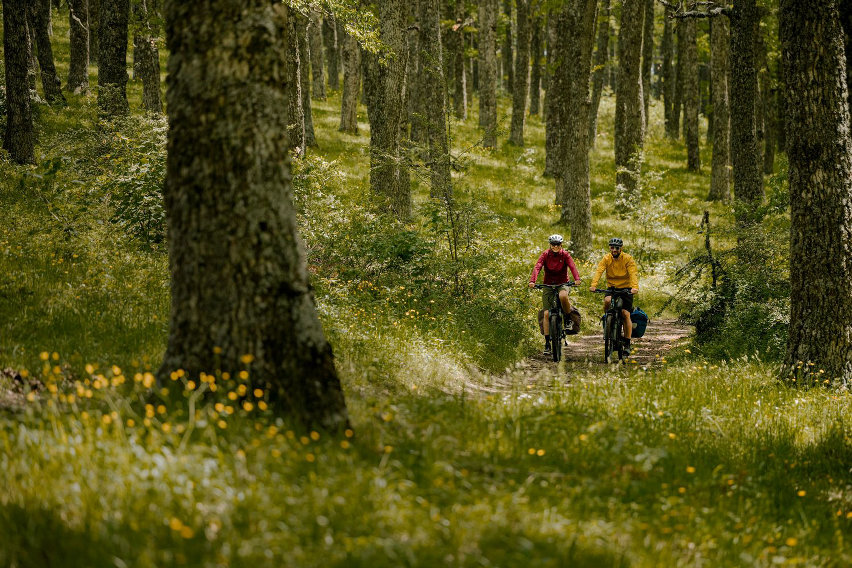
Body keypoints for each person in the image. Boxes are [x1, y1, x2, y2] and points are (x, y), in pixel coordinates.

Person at [528, 234, 581, 355]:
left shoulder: (565, 255)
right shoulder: (545, 254)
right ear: (550, 245)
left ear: (561, 245)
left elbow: (572, 266)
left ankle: (567, 318)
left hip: (563, 283)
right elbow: (538, 267)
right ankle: (547, 343)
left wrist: (577, 278)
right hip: (548, 285)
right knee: (546, 313)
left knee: (563, 296)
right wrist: (532, 281)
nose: (555, 246)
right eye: (553, 244)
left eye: (557, 244)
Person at [590, 237, 639, 355]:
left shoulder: (628, 259)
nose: (614, 250)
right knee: (607, 301)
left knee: (625, 314)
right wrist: (593, 285)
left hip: (626, 289)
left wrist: (634, 287)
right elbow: (599, 271)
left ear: (621, 248)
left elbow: (633, 273)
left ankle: (627, 342)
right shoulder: (606, 258)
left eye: (617, 248)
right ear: (610, 248)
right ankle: (608, 320)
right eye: (612, 247)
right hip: (612, 288)